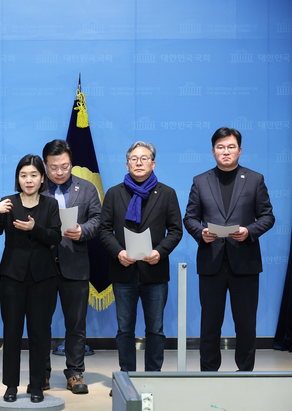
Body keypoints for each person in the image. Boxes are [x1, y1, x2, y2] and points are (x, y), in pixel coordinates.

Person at [183, 127, 274, 372]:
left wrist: (249, 231)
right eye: (221, 147)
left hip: (245, 262)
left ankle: (245, 372)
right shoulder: (200, 181)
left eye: (231, 147)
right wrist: (201, 233)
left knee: (245, 324)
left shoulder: (255, 179)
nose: (226, 151)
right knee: (210, 324)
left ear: (240, 150)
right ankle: (209, 372)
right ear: (213, 151)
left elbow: (267, 216)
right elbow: (190, 218)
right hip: (211, 263)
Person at [99, 141, 182, 374]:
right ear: (127, 164)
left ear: (153, 164)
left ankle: (154, 377)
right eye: (134, 159)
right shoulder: (115, 194)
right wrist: (118, 252)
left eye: (144, 158)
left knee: (155, 330)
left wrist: (160, 252)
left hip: (154, 272)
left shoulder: (167, 193)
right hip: (123, 271)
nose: (138, 162)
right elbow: (104, 229)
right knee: (125, 330)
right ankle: (126, 378)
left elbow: (176, 230)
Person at [0, 154, 61, 403]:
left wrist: (34, 228)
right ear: (18, 178)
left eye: (33, 175)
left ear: (42, 178)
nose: (28, 180)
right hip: (12, 278)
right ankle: (10, 386)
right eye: (23, 175)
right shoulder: (7, 203)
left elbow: (55, 237)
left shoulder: (50, 205)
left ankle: (37, 385)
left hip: (43, 278)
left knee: (40, 333)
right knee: (12, 332)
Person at [41, 139, 101, 395]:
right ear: (45, 165)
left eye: (64, 166)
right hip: (42, 265)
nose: (59, 172)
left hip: (75, 264)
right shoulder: (35, 187)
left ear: (71, 163)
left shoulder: (86, 189)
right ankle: (40, 374)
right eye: (53, 167)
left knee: (76, 324)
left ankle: (75, 372)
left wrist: (83, 230)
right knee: (40, 323)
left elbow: (99, 219)